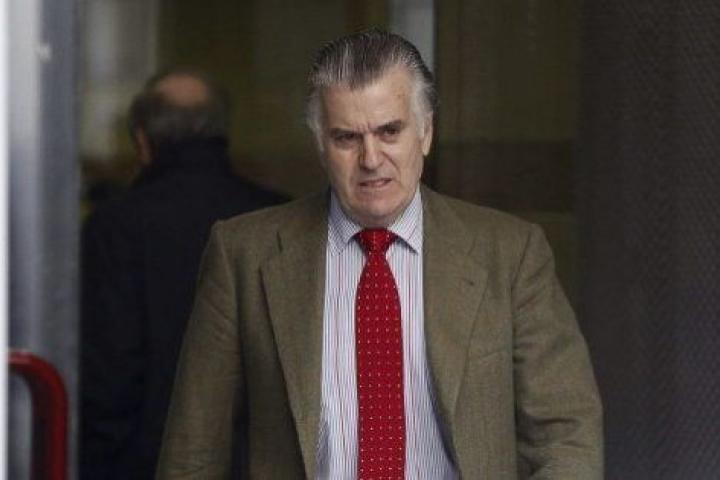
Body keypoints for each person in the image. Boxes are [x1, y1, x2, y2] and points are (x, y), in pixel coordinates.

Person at [156, 30, 603, 479]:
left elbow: (566, 434)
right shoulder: (243, 256)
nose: (371, 158)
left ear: (425, 132)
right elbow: (193, 453)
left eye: (390, 131)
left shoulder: (510, 254)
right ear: (320, 144)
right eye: (347, 138)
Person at [80, 68, 287, 480]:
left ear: (143, 141)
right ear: (222, 134)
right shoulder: (280, 218)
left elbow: (108, 377)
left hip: (145, 463)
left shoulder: (115, 226)